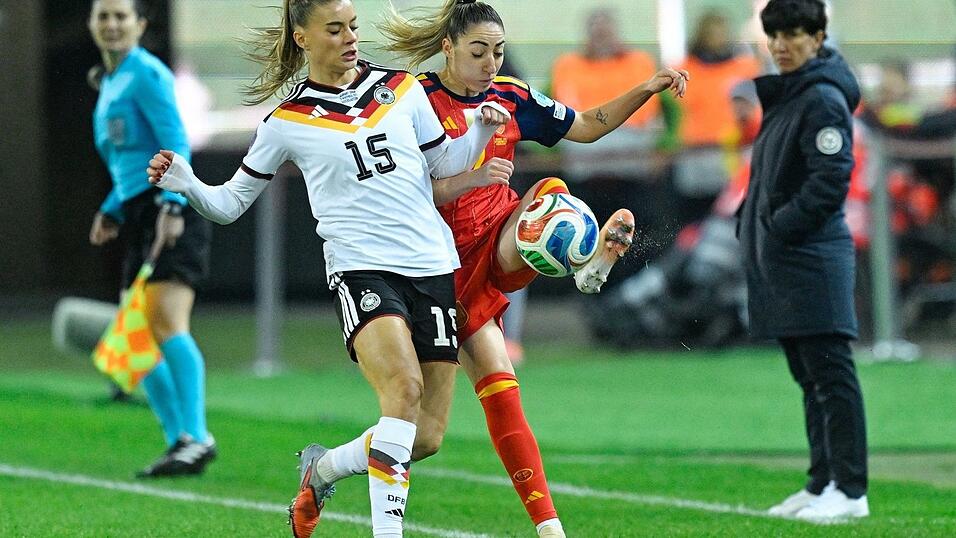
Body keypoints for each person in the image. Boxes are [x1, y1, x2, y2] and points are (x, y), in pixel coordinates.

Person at [146, 1, 510, 536]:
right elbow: (228, 204)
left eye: (354, 27)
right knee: (403, 391)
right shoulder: (285, 123)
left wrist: (479, 132)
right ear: (302, 38)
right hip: (362, 270)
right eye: (334, 29)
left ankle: (322, 469)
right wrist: (187, 182)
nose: (349, 38)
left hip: (433, 266)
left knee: (424, 436)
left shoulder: (402, 89)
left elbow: (443, 166)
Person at [378, 1, 688, 536]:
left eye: (498, 52)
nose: (491, 63)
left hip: (498, 235)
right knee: (426, 436)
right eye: (478, 52)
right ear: (448, 47)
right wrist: (468, 178)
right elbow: (397, 189)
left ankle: (549, 528)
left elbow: (588, 126)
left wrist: (648, 87)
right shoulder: (413, 98)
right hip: (433, 262)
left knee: (549, 196)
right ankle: (332, 464)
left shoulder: (512, 96)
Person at [736, 0, 869, 522]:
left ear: (818, 38)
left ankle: (851, 491)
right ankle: (822, 482)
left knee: (831, 375)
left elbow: (831, 178)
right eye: (775, 35)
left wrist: (779, 225)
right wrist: (754, 220)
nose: (782, 45)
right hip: (787, 258)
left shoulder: (822, 99)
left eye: (794, 34)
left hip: (812, 256)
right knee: (810, 376)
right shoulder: (793, 95)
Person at [87, 0, 216, 478]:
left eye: (121, 15)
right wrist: (112, 209)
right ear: (92, 25)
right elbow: (126, 164)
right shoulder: (110, 81)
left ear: (140, 25)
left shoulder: (145, 73)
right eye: (104, 15)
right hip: (139, 211)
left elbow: (175, 141)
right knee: (135, 335)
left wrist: (172, 205)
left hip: (168, 208)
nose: (112, 24)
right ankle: (179, 440)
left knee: (165, 323)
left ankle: (197, 436)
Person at [673, 9, 762, 225]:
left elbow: (756, 111)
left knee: (734, 214)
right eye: (710, 33)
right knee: (695, 220)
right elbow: (675, 113)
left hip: (733, 154)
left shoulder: (746, 68)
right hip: (694, 154)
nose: (716, 38)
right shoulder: (682, 70)